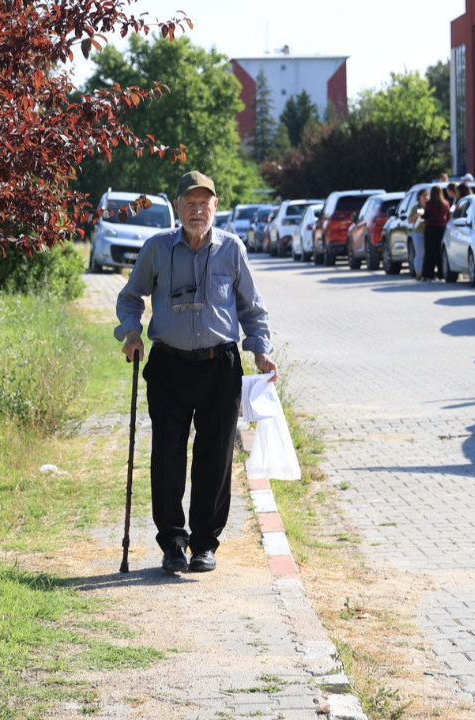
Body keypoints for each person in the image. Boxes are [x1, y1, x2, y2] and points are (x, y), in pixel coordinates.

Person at [116, 171, 277, 575]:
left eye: (204, 203)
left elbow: (252, 308)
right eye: (190, 203)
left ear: (215, 207)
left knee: (215, 458)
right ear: (179, 207)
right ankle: (173, 542)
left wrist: (260, 350)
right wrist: (131, 332)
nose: (197, 210)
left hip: (219, 365)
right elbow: (130, 296)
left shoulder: (231, 249)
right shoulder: (157, 248)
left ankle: (205, 543)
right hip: (168, 365)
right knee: (168, 454)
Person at [421, 185, 451, 281]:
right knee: (440, 252)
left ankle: (428, 274)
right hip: (441, 228)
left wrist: (422, 216)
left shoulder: (429, 204)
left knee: (429, 252)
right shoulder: (445, 203)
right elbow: (448, 216)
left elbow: (427, 216)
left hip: (430, 228)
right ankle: (441, 273)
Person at [407, 188, 429, 279]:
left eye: (427, 195)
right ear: (419, 197)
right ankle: (419, 274)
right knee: (420, 253)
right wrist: (417, 215)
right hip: (418, 233)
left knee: (428, 254)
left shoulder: (430, 207)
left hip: (429, 232)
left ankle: (427, 273)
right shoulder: (415, 208)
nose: (426, 197)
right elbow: (409, 221)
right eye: (424, 195)